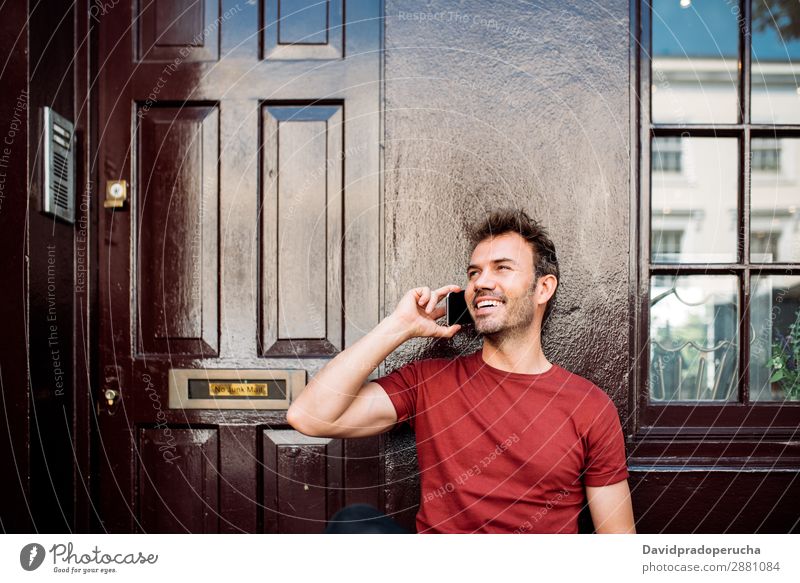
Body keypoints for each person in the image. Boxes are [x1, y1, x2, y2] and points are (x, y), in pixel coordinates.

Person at [287, 208, 636, 534]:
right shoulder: (429, 380)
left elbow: (618, 544)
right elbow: (309, 416)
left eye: (502, 268)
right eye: (474, 273)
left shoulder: (589, 406)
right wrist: (399, 326)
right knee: (355, 524)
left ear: (543, 288)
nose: (482, 282)